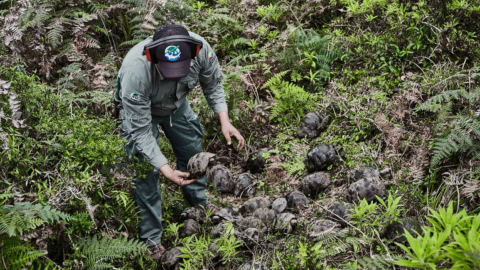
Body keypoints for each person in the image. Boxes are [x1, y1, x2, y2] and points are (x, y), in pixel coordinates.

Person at [116, 24, 245, 259]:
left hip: (177, 105)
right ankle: (151, 239)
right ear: (152, 57)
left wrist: (224, 120)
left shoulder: (201, 49)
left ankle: (199, 206)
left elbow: (213, 84)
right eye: (167, 70)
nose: (173, 75)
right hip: (141, 114)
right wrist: (166, 170)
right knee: (146, 171)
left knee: (193, 151)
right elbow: (142, 131)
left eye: (179, 70)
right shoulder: (136, 72)